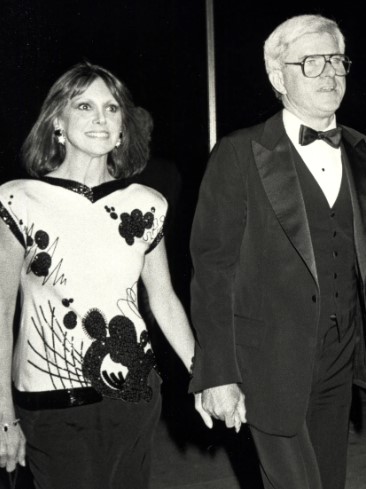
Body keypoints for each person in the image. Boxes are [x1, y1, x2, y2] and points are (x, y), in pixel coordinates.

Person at [189, 14, 366, 489]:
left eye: (337, 61)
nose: (331, 73)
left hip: (339, 360)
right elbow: (213, 269)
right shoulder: (240, 153)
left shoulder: (364, 151)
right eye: (312, 62)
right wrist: (215, 374)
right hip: (265, 363)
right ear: (279, 77)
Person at [0, 61, 211, 489]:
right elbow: (1, 312)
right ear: (57, 122)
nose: (101, 118)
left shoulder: (147, 203)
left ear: (122, 128)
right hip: (49, 401)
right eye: (84, 105)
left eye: (112, 109)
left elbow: (164, 299)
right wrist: (3, 415)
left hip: (133, 395)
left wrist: (206, 376)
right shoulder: (17, 200)